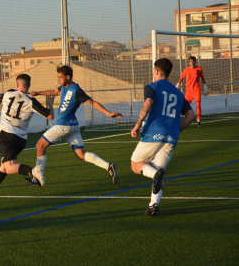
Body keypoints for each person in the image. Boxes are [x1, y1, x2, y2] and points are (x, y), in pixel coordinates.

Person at [23, 65, 123, 187]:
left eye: (60, 77)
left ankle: (38, 177)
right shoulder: (64, 87)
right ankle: (108, 166)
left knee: (39, 145)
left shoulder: (77, 90)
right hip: (73, 127)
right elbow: (55, 92)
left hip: (63, 126)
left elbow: (92, 102)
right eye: (58, 77)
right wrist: (39, 92)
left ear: (68, 77)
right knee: (81, 155)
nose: (59, 80)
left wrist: (108, 113)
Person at [131, 58, 195, 216]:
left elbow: (147, 103)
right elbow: (191, 115)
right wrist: (176, 130)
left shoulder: (152, 87)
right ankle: (154, 206)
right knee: (157, 172)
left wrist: (138, 124)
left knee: (135, 165)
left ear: (157, 71)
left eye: (153, 70)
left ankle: (155, 177)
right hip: (171, 137)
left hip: (154, 132)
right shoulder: (178, 93)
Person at [0, 74, 55, 196]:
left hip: (6, 135)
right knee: (5, 165)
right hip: (21, 140)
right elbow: (50, 116)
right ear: (29, 86)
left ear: (17, 84)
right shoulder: (31, 101)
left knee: (9, 167)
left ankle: (34, 171)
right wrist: (50, 103)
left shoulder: (8, 93)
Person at [176, 56, 208, 128]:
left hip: (197, 90)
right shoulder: (186, 70)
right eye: (190, 61)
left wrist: (205, 87)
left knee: (198, 105)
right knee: (185, 107)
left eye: (193, 61)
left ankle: (198, 121)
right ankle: (185, 120)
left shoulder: (199, 69)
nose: (192, 63)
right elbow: (181, 78)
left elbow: (202, 78)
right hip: (188, 91)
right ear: (189, 62)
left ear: (195, 62)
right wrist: (177, 86)